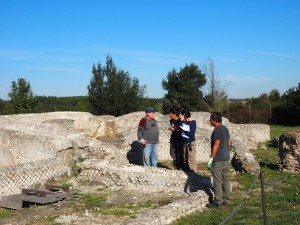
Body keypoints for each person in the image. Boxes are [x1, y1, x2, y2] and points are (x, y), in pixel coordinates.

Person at [206, 112, 231, 208]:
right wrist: (227, 152)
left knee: (217, 180)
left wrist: (211, 158)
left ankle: (218, 202)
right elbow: (229, 142)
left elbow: (217, 143)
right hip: (225, 158)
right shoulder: (225, 128)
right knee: (225, 179)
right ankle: (227, 199)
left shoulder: (217, 130)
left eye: (210, 119)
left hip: (218, 159)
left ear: (214, 120)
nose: (209, 121)